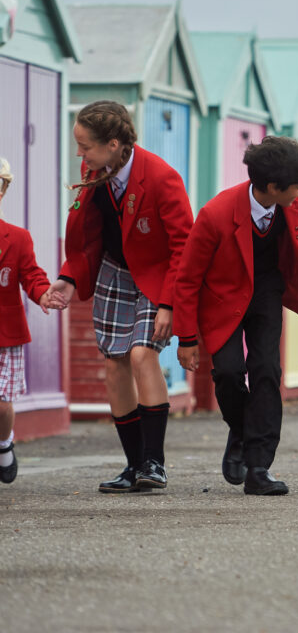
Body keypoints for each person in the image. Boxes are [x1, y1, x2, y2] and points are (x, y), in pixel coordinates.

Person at [175, 136, 298, 495]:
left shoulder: (293, 200)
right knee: (230, 373)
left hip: (267, 292)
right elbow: (187, 278)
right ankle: (243, 429)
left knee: (267, 369)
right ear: (271, 186)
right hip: (222, 299)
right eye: (296, 187)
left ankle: (259, 467)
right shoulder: (216, 214)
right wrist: (185, 338)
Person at [47, 101, 193, 493]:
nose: (80, 154)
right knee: (115, 362)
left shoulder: (163, 178)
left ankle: (155, 463)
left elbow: (184, 246)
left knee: (143, 354)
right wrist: (68, 278)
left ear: (113, 144)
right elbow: (89, 235)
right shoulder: (94, 171)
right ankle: (133, 466)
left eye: (85, 146)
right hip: (114, 269)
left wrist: (168, 303)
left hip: (158, 274)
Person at [0, 159, 63, 483]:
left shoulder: (18, 238)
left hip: (5, 335)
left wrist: (42, 294)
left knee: (2, 404)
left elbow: (32, 276)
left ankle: (3, 444)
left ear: (3, 190)